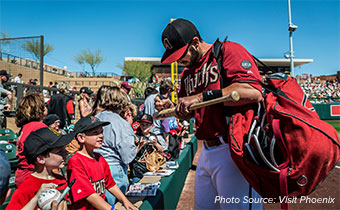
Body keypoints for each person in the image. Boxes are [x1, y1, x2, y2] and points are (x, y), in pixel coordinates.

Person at [160, 18, 263, 209]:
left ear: (196, 42)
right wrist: (177, 109)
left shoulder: (226, 51)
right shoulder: (187, 73)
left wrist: (199, 97)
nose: (180, 61)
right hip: (206, 151)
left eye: (182, 54)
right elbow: (191, 112)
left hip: (233, 148)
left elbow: (252, 91)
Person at [67, 116, 137, 210]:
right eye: (95, 133)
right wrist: (111, 209)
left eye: (101, 132)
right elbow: (88, 194)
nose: (101, 136)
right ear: (81, 138)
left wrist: (125, 201)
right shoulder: (76, 161)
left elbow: (110, 184)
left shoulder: (99, 158)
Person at [91, 85, 137, 205]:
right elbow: (128, 156)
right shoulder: (121, 123)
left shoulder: (96, 117)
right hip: (113, 169)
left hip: (94, 167)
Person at [7, 127, 72, 209]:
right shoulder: (25, 188)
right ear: (41, 159)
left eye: (64, 149)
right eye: (59, 151)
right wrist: (35, 198)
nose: (65, 153)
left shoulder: (61, 180)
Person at [15, 93, 48, 187]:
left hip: (21, 175)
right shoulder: (39, 126)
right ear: (39, 109)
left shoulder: (26, 127)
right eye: (44, 105)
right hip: (33, 177)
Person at [130, 113, 163, 184]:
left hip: (150, 169)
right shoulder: (136, 137)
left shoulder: (153, 136)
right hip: (138, 171)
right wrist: (140, 146)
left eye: (147, 125)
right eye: (142, 124)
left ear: (151, 126)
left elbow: (161, 150)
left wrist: (156, 144)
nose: (144, 127)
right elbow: (131, 155)